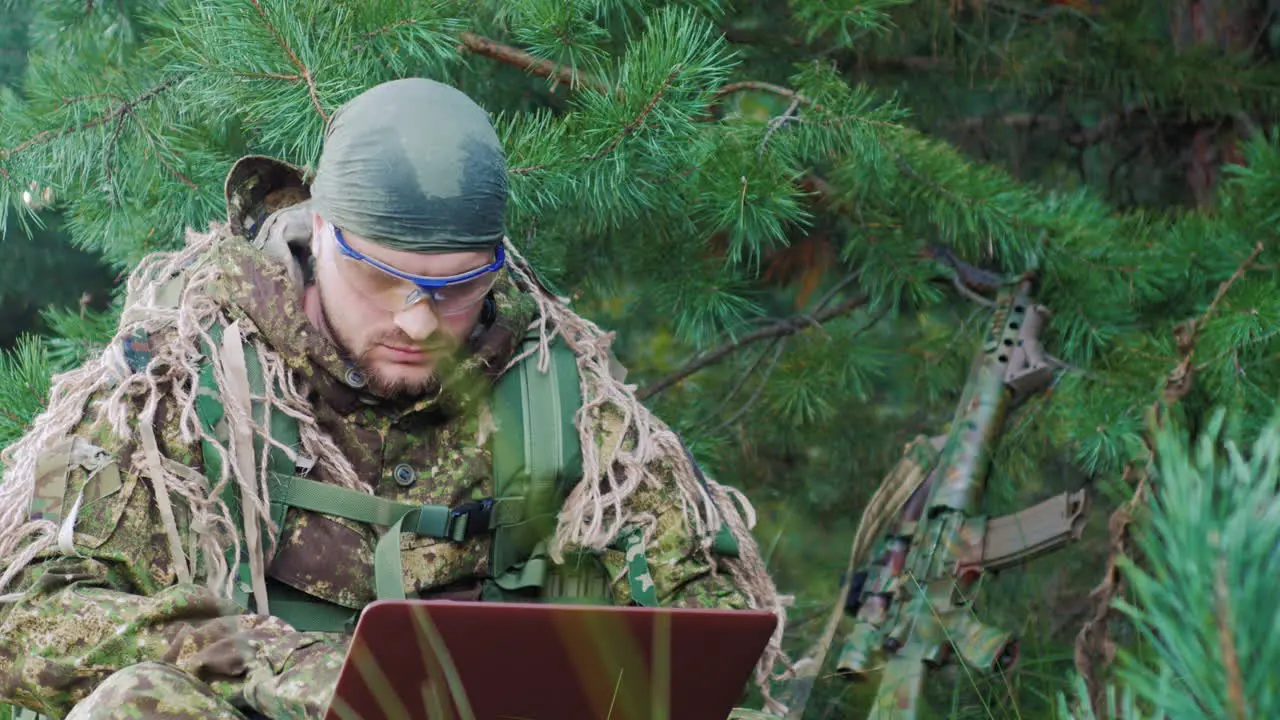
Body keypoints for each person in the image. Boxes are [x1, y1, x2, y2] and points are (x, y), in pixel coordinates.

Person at [0, 78, 790, 719]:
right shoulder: (189, 373)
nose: (418, 321)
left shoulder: (561, 393)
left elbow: (708, 626)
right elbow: (29, 612)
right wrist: (297, 673)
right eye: (383, 280)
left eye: (455, 289)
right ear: (321, 236)